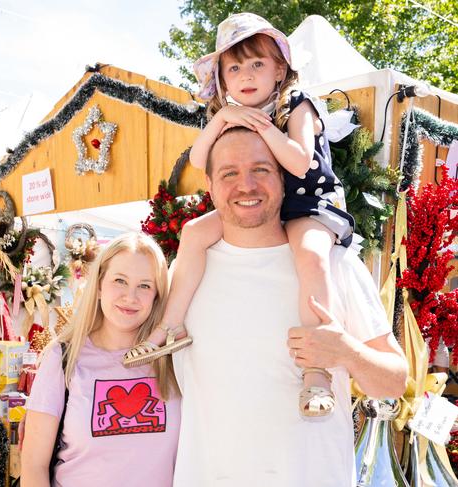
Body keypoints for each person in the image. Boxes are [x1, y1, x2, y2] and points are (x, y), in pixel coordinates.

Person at [125, 13, 356, 418]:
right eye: (234, 67)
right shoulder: (231, 114)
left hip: (308, 201)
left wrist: (266, 129)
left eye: (257, 64)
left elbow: (300, 162)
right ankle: (171, 324)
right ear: (223, 79)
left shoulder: (297, 105)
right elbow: (199, 159)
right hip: (265, 204)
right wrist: (220, 119)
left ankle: (316, 369)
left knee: (312, 257)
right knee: (195, 232)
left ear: (279, 69)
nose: (246, 75)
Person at [171, 126, 407, 486]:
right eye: (229, 173)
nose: (246, 185)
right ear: (210, 184)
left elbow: (394, 381)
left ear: (283, 177)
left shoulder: (334, 266)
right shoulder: (186, 272)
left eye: (261, 170)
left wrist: (347, 353)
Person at [20, 233, 180, 487]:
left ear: (157, 296)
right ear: (99, 286)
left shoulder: (173, 361)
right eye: (120, 281)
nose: (131, 297)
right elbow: (33, 465)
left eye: (145, 285)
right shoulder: (63, 357)